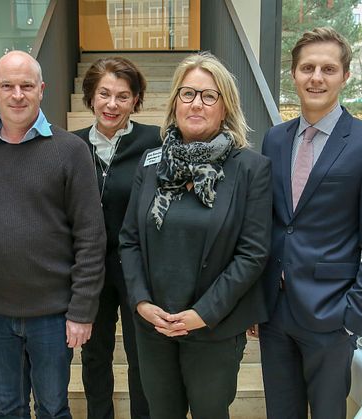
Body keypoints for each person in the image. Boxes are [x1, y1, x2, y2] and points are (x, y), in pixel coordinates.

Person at [118, 51, 272, 419]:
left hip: (214, 327)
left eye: (208, 95)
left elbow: (252, 254)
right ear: (175, 103)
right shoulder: (151, 162)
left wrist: (202, 314)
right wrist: (141, 302)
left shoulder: (250, 168)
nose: (196, 104)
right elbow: (129, 240)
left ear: (225, 107)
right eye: (187, 94)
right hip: (154, 325)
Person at [258, 27, 362, 419]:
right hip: (275, 311)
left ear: (345, 76)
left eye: (328, 68)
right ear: (293, 74)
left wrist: (353, 318)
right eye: (307, 68)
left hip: (332, 316)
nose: (316, 77)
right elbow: (274, 224)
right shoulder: (275, 139)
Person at [0, 50, 106, 419]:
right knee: (7, 409)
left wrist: (82, 310)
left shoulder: (71, 151)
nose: (17, 95)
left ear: (41, 90)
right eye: (8, 86)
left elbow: (91, 237)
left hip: (54, 315)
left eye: (26, 86)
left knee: (53, 408)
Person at [72, 56, 160, 419]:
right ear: (91, 96)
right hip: (90, 271)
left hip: (139, 269)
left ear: (136, 100)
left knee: (143, 355)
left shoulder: (155, 142)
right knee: (95, 355)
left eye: (123, 96)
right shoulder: (71, 146)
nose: (112, 104)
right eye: (104, 94)